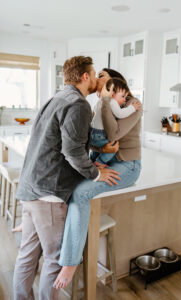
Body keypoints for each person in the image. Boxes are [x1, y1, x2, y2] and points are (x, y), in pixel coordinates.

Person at [13, 56, 120, 300]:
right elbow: (72, 150)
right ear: (85, 77)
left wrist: (100, 149)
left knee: (27, 255)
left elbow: (70, 137)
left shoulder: (56, 98)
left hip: (30, 190)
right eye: (94, 75)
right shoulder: (79, 104)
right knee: (54, 259)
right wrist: (96, 173)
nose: (95, 80)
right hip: (49, 195)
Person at [54, 67, 143, 289]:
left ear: (115, 81)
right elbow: (92, 140)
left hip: (127, 165)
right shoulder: (100, 104)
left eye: (101, 76)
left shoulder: (132, 104)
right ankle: (58, 240)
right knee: (68, 178)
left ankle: (71, 262)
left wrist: (104, 103)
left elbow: (114, 135)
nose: (96, 80)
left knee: (81, 193)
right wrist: (99, 149)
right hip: (104, 160)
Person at [90, 77, 141, 167]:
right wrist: (132, 108)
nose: (125, 99)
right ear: (112, 94)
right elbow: (120, 114)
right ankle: (100, 162)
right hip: (101, 134)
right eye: (122, 96)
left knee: (97, 149)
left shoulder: (100, 101)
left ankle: (93, 159)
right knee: (113, 147)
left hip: (92, 133)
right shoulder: (112, 102)